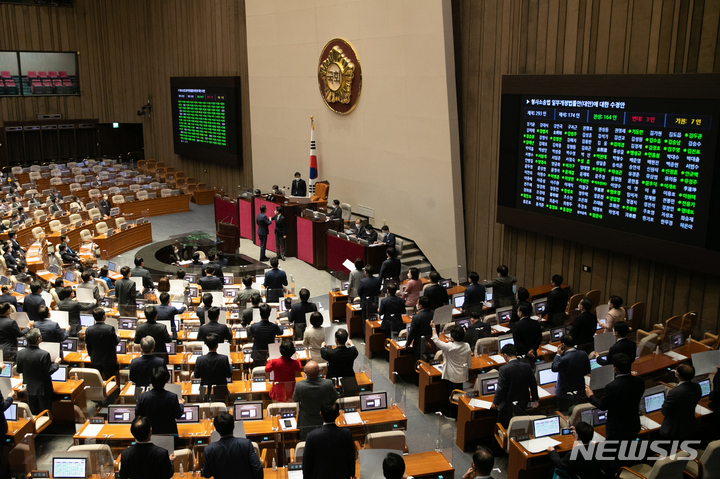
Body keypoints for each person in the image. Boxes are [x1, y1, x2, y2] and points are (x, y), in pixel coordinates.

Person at [585, 353, 644, 442]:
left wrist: (591, 396)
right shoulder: (639, 381)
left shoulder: (611, 387)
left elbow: (602, 406)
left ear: (615, 369)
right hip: (633, 424)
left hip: (617, 429)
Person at [201, 412, 263, 479]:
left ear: (216, 429)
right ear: (233, 426)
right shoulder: (245, 444)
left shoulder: (209, 449)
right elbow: (258, 468)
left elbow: (207, 474)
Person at [303, 400, 355, 479]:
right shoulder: (346, 433)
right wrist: (352, 473)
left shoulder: (312, 436)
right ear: (338, 414)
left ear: (321, 414)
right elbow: (351, 457)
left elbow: (307, 463)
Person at [16, 328, 62, 414]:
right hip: (43, 389)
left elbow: (19, 370)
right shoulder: (44, 354)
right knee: (45, 413)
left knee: (33, 412)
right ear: (38, 339)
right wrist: (56, 364)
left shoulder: (20, 353)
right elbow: (48, 371)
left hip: (28, 388)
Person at [431, 322, 471, 419]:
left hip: (451, 375)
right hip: (462, 374)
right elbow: (469, 362)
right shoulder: (467, 346)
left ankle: (452, 414)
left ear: (452, 338)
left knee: (451, 394)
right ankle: (458, 411)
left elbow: (436, 340)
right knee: (459, 394)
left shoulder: (450, 346)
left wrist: (433, 328)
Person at [491, 344, 539, 427]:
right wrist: (535, 399)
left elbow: (501, 388)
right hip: (523, 402)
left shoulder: (504, 369)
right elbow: (533, 383)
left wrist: (495, 402)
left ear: (505, 355)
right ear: (516, 353)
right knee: (520, 425)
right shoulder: (526, 365)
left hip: (507, 404)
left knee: (503, 426)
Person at [293, 360, 338, 439]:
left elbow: (295, 399)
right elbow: (335, 397)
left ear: (305, 373)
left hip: (306, 422)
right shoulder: (328, 383)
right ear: (319, 372)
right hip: (325, 420)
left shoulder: (299, 386)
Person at [136, 366, 185, 435]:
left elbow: (138, 416)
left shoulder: (142, 397)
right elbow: (178, 415)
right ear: (165, 381)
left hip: (148, 434)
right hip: (169, 434)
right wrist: (181, 404)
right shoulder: (172, 397)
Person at [659, 363, 702, 440]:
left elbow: (664, 411)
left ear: (677, 374)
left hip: (674, 429)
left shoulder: (674, 392)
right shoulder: (697, 387)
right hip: (689, 425)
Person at [551, 335, 591, 412]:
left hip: (564, 391)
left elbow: (554, 368)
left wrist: (558, 354)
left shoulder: (563, 359)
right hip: (579, 388)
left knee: (563, 412)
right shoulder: (584, 354)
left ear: (563, 345)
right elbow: (587, 371)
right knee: (580, 411)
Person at [85, 308, 119, 381]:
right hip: (108, 359)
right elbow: (115, 342)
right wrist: (118, 336)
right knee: (110, 380)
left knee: (97, 380)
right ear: (104, 317)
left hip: (95, 359)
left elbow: (88, 345)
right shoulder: (110, 329)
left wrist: (90, 355)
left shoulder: (89, 330)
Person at [321, 328, 358, 392]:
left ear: (336, 340)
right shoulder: (352, 351)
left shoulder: (330, 353)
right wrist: (352, 344)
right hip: (349, 378)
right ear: (346, 340)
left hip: (333, 379)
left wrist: (322, 346)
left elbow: (323, 353)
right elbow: (354, 350)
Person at [407, 296, 434, 360]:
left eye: (417, 303)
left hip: (419, 344)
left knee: (419, 362)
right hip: (432, 342)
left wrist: (408, 343)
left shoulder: (416, 317)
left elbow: (412, 332)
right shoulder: (434, 314)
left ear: (420, 306)